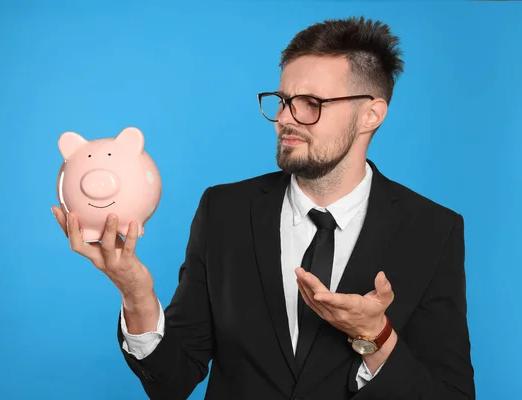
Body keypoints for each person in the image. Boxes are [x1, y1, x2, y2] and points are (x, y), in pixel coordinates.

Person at [52, 16, 475, 400]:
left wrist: (375, 336)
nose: (285, 119)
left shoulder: (433, 230)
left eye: (311, 103)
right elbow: (173, 379)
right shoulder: (224, 211)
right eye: (282, 99)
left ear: (371, 114)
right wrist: (137, 294)